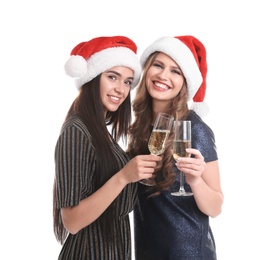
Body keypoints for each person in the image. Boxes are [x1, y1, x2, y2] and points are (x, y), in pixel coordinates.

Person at [52, 35, 161, 260]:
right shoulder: (76, 131)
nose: (121, 89)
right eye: (113, 77)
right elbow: (72, 221)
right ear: (93, 77)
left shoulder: (100, 132)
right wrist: (123, 176)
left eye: (128, 81)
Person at [127, 35, 224, 259]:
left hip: (186, 252)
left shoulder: (194, 129)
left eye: (175, 71)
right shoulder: (141, 125)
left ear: (185, 82)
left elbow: (216, 207)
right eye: (158, 65)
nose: (163, 75)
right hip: (148, 249)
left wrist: (196, 181)